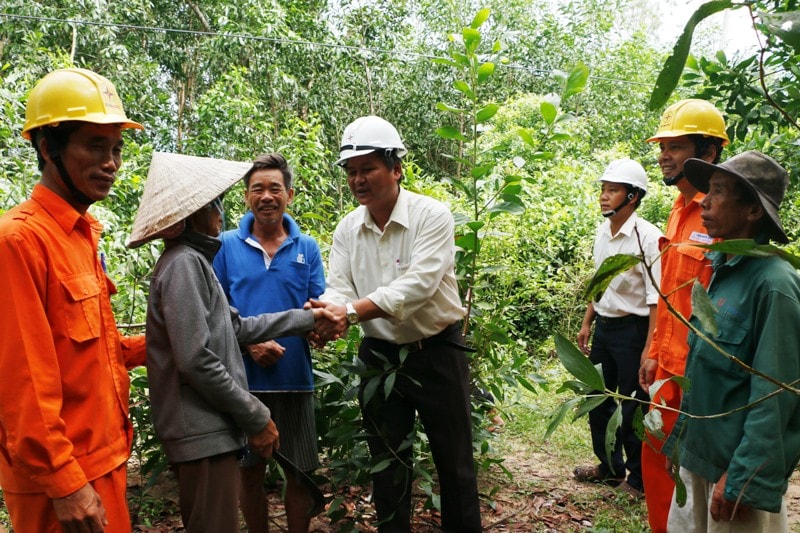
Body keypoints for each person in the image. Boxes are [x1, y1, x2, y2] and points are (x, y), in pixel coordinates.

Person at [127, 152, 333, 533]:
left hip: (214, 424)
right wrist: (255, 415)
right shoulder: (185, 265)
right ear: (192, 216)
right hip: (202, 427)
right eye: (213, 206)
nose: (219, 215)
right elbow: (196, 358)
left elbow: (237, 326)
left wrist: (309, 317)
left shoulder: (193, 262)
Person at [307, 115, 482, 532]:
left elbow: (418, 285)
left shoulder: (432, 216)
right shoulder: (348, 228)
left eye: (368, 168)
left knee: (454, 460)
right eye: (351, 171)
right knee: (387, 460)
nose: (358, 179)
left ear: (396, 168)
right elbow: (339, 287)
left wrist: (347, 314)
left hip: (436, 349)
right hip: (380, 356)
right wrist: (328, 313)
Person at [0, 67, 146, 533]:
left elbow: (93, 352)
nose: (111, 162)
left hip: (102, 461)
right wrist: (64, 482)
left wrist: (166, 342)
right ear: (49, 147)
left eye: (117, 149)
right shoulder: (19, 242)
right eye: (95, 146)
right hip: (63, 482)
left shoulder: (82, 237)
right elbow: (22, 382)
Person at [662, 150, 800, 530]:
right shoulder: (723, 268)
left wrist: (742, 480)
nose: (704, 200)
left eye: (719, 191)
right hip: (698, 462)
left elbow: (776, 396)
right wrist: (681, 445)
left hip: (731, 479)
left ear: (753, 211)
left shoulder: (774, 285)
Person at [213, 153, 325, 532]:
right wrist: (250, 346)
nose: (266, 196)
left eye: (274, 188)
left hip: (295, 380)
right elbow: (213, 311)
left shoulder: (306, 247)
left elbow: (317, 306)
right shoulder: (225, 246)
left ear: (289, 195)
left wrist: (320, 329)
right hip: (242, 384)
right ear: (246, 196)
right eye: (257, 188)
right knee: (248, 472)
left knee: (299, 473)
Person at [637, 99, 728, 532]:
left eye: (675, 146)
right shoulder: (677, 208)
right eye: (662, 146)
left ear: (708, 153)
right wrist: (652, 351)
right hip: (666, 372)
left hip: (700, 375)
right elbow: (669, 292)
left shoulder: (721, 215)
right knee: (656, 464)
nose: (664, 155)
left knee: (692, 477)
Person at [573, 159, 662, 500]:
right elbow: (601, 282)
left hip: (634, 330)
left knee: (632, 405)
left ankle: (638, 480)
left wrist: (648, 347)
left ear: (633, 197)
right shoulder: (602, 233)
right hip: (605, 329)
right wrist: (587, 322)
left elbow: (656, 298)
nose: (604, 197)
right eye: (603, 190)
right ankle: (609, 468)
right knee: (596, 397)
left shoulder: (647, 238)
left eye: (613, 190)